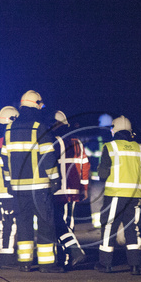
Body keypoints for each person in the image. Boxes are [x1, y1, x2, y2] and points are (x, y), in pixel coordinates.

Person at [2, 90, 63, 273]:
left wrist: (8, 182)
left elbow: (5, 158)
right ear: (36, 105)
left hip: (18, 187)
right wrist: (55, 179)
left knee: (23, 224)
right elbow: (48, 156)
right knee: (45, 223)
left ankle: (24, 263)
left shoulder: (9, 129)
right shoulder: (39, 127)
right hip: (39, 186)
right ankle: (46, 264)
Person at [97, 115, 141, 274]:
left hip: (116, 194)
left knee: (109, 227)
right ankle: (135, 265)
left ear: (114, 130)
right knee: (133, 228)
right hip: (136, 195)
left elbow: (103, 175)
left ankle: (105, 264)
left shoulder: (110, 146)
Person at [51, 110, 89, 268]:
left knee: (58, 225)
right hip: (73, 191)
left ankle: (70, 256)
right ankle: (69, 259)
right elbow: (85, 165)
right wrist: (84, 188)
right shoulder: (77, 142)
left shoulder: (52, 142)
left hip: (57, 191)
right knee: (68, 224)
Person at [0, 106, 18, 269]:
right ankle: (7, 257)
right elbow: (9, 165)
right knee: (8, 224)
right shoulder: (5, 140)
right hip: (6, 189)